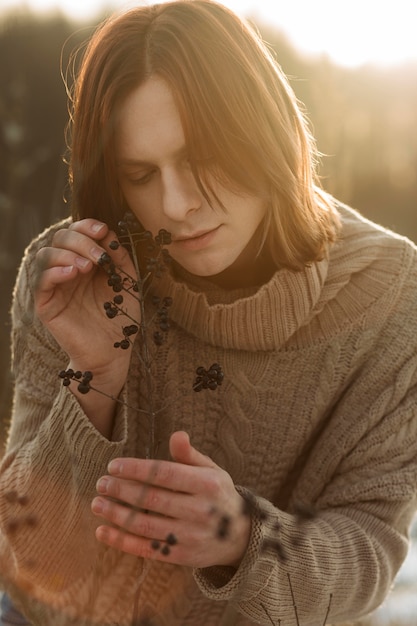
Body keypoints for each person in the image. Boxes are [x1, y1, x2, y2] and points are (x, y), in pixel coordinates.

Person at [1, 1, 417, 625]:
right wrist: (93, 378)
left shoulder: (393, 295)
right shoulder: (72, 278)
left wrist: (241, 538)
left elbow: (368, 557)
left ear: (267, 133)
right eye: (140, 174)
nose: (176, 204)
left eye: (202, 158)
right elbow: (27, 564)